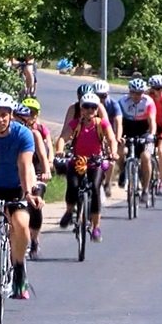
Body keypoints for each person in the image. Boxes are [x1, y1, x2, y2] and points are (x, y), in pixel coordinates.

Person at [0, 92, 40, 299]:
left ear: (11, 114)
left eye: (5, 114)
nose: (1, 119)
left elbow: (25, 165)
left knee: (21, 224)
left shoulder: (23, 134)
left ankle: (18, 268)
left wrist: (27, 192)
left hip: (16, 187)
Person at [55, 92, 117, 241]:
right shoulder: (76, 124)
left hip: (95, 161)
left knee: (95, 189)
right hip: (78, 160)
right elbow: (63, 137)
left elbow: (111, 138)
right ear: (81, 109)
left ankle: (96, 227)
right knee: (73, 184)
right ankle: (69, 211)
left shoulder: (101, 124)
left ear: (97, 109)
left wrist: (113, 152)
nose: (89, 111)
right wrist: (60, 150)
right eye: (86, 107)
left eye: (93, 108)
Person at [15, 98, 52, 259]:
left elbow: (43, 156)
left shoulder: (35, 134)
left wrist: (46, 171)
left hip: (35, 172)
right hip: (16, 174)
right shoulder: (11, 135)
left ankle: (34, 238)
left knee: (35, 203)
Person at [116, 77, 157, 203]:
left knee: (145, 157)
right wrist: (118, 136)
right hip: (127, 129)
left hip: (144, 131)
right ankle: (123, 171)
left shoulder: (148, 102)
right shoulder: (122, 101)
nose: (136, 95)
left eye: (139, 93)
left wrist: (152, 135)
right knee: (121, 150)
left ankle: (145, 190)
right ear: (129, 91)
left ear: (143, 93)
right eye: (133, 92)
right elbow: (118, 121)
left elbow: (152, 121)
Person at [93, 79, 122, 198]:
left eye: (103, 96)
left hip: (109, 132)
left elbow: (118, 122)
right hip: (96, 132)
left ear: (107, 94)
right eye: (97, 96)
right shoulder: (90, 105)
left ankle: (107, 183)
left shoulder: (113, 105)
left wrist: (118, 138)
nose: (100, 99)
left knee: (111, 159)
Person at [147, 74, 162, 197]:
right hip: (150, 126)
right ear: (151, 88)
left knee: (161, 152)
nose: (159, 91)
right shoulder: (147, 96)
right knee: (146, 153)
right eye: (157, 88)